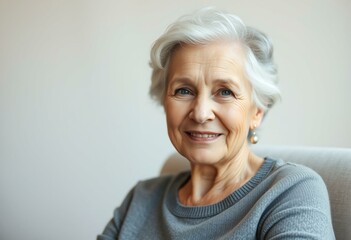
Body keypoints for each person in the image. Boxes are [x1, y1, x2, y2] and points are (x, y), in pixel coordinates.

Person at [98, 8, 335, 239]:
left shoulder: (290, 191)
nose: (201, 113)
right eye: (183, 90)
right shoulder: (142, 199)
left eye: (225, 92)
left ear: (257, 111)